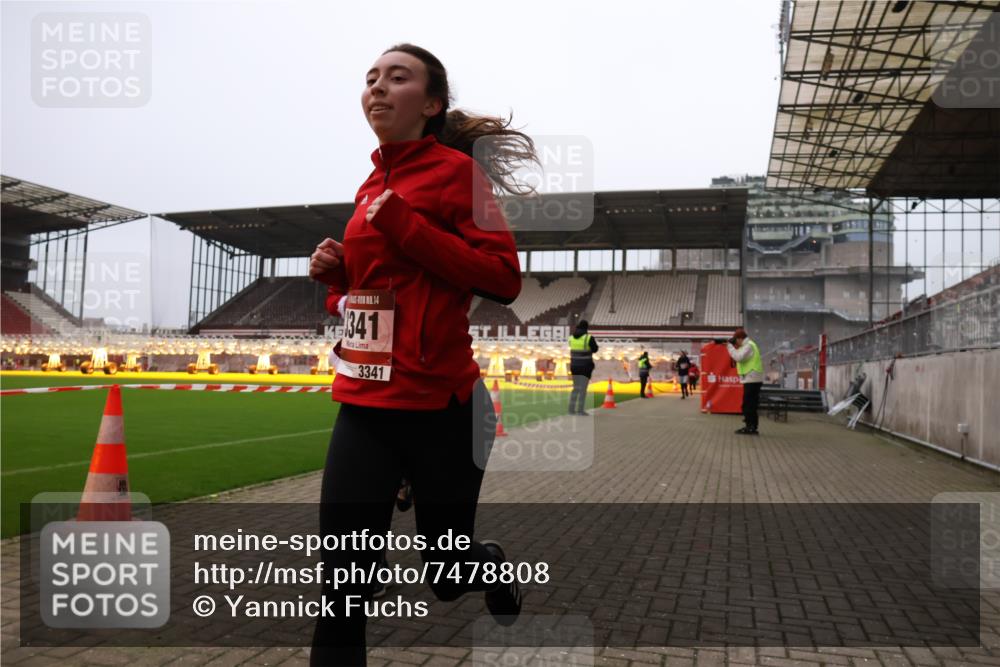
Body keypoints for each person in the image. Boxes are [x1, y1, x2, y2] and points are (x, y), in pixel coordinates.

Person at [308, 43, 536, 665]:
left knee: (447, 571)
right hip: (365, 405)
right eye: (370, 78)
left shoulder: (461, 175)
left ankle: (482, 566)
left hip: (445, 408)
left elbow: (503, 277)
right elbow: (370, 302)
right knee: (341, 583)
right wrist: (335, 279)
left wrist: (407, 226)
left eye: (397, 78)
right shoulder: (367, 186)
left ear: (431, 104)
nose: (377, 87)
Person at [726, 327, 763, 435]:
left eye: (736, 340)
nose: (736, 342)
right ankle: (751, 426)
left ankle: (750, 427)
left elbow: (738, 357)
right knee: (750, 403)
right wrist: (733, 346)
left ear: (740, 338)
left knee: (748, 404)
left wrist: (729, 346)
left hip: (752, 378)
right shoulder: (749, 345)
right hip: (752, 378)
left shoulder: (749, 346)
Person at [568, 319, 599, 415]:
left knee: (576, 388)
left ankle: (571, 409)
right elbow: (595, 349)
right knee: (583, 389)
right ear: (586, 328)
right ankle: (580, 410)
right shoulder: (588, 338)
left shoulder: (571, 338)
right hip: (585, 366)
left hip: (574, 366)